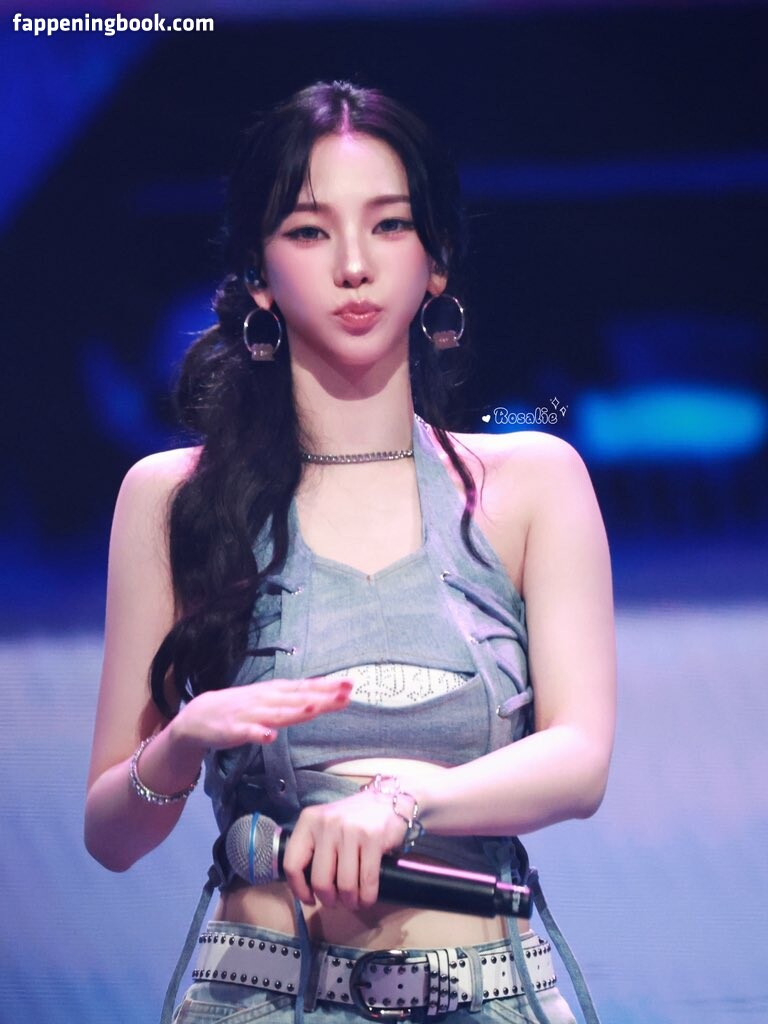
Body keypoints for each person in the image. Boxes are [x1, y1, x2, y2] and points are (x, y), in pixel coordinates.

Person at [84, 81, 616, 1024]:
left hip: (487, 993)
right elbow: (110, 835)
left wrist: (400, 802)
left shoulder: (534, 483)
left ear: (435, 262)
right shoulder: (173, 499)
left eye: (390, 225)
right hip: (259, 993)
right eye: (309, 231)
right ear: (258, 275)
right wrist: (178, 744)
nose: (356, 266)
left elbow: (579, 761)